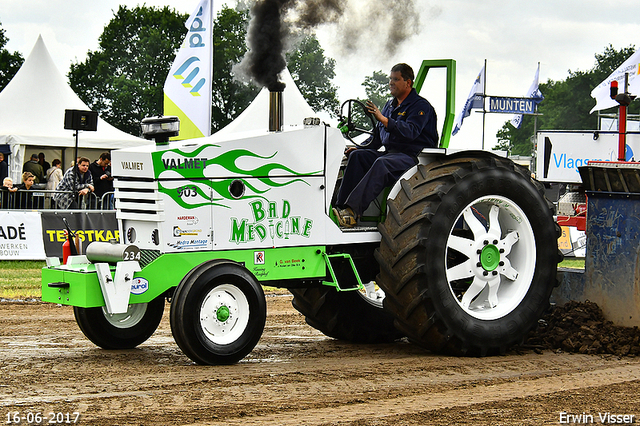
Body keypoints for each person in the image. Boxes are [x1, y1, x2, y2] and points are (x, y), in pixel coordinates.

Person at [333, 63, 438, 227]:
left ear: (408, 82)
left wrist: (384, 119)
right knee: (357, 156)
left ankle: (353, 211)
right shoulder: (389, 105)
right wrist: (361, 148)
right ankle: (340, 208)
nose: (391, 83)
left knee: (382, 163)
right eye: (390, 79)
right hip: (391, 154)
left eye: (396, 79)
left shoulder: (421, 106)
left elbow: (411, 132)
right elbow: (377, 139)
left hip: (413, 158)